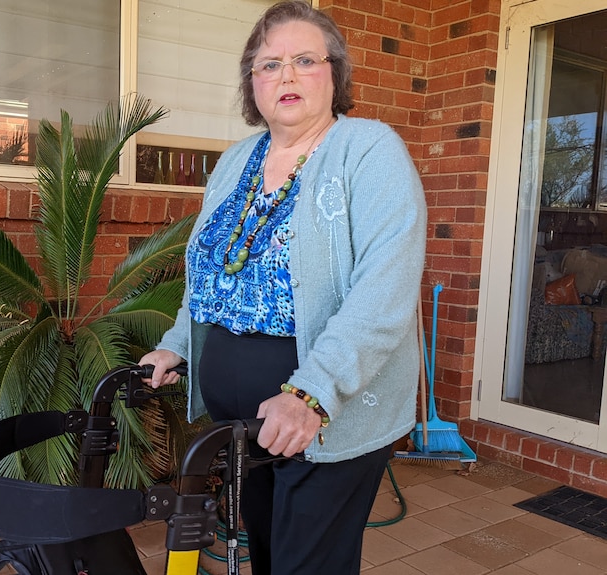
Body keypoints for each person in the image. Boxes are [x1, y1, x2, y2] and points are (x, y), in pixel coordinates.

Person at [139, 1, 426, 573]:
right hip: (244, 425)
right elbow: (212, 273)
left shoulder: (370, 151)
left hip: (323, 411)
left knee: (308, 564)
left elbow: (385, 289)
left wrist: (311, 394)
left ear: (334, 74)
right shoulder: (236, 161)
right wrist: (178, 342)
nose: (286, 76)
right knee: (270, 554)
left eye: (304, 60)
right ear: (253, 84)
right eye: (269, 64)